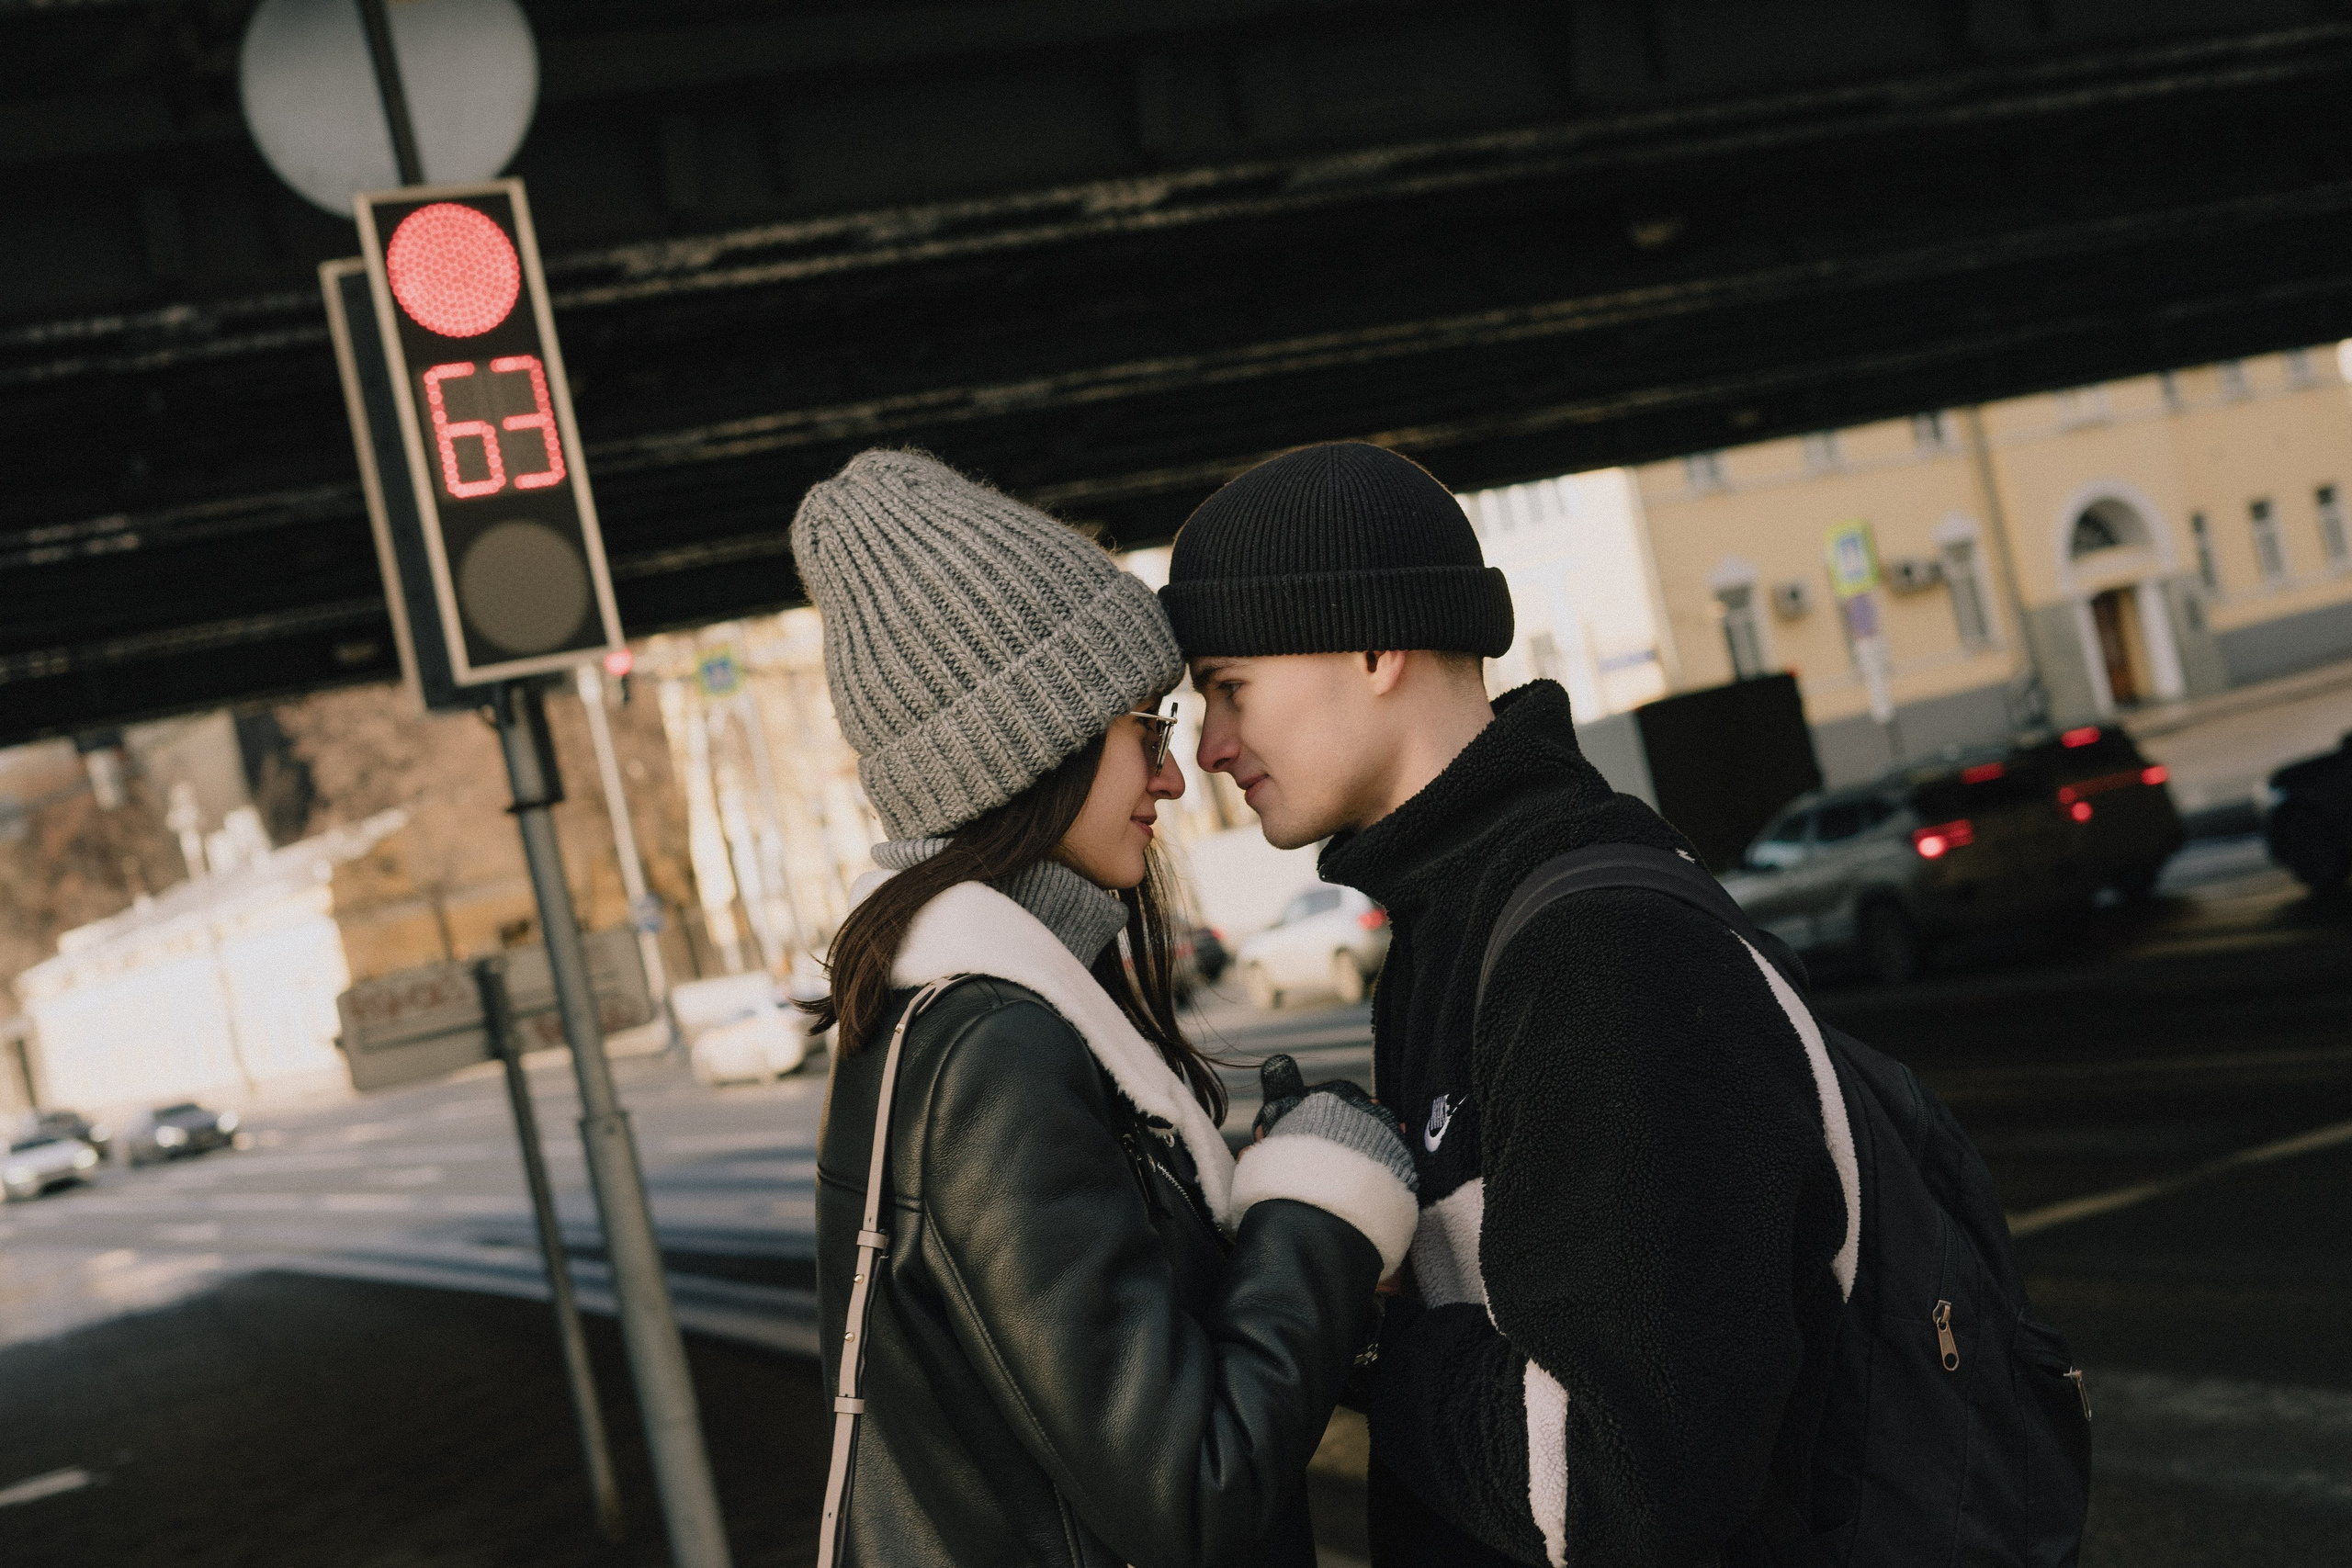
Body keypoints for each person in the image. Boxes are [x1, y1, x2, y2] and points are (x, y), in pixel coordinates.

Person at [1162, 442, 1856, 1568]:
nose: (1210, 747)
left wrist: (1359, 1323)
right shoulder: (1453, 924)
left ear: (1373, 645)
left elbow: (1628, 1484)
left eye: (1229, 687)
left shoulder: (1594, 950)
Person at [795, 448, 1422, 1568]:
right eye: (1147, 728)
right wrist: (1317, 1215)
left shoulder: (948, 1017)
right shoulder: (995, 1055)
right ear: (1033, 748)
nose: (1176, 777)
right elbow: (1190, 1489)